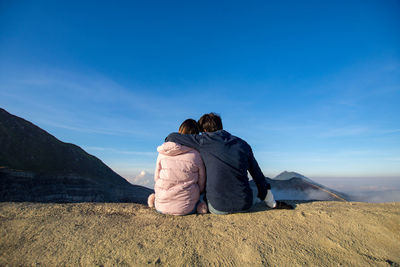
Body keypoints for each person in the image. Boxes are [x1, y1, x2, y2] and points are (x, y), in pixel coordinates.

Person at [165, 113, 277, 215]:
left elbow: (171, 137)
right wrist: (270, 201)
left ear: (204, 130)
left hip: (218, 208)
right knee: (252, 189)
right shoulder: (243, 144)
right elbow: (258, 175)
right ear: (221, 126)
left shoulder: (204, 141)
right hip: (245, 205)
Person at [147, 119, 208, 215]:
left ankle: (157, 199)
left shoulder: (163, 152)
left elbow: (156, 178)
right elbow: (201, 184)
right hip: (187, 208)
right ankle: (200, 206)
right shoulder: (196, 155)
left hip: (161, 206)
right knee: (202, 195)